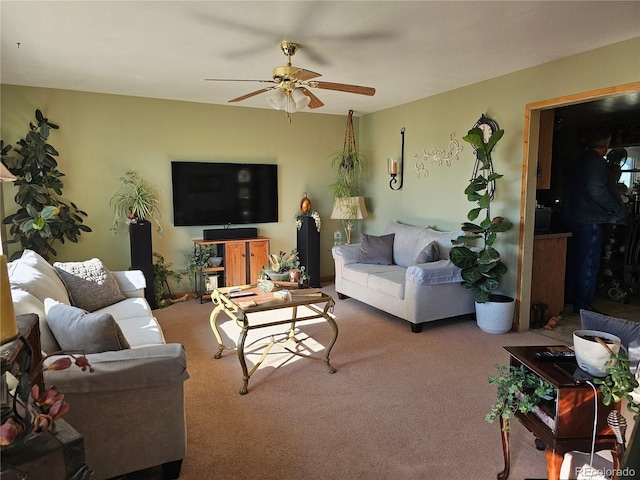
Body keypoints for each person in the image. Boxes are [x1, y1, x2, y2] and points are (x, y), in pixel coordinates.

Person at [562, 128, 627, 314]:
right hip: (589, 220)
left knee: (574, 262)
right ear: (606, 144)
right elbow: (597, 190)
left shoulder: (580, 161)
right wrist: (616, 209)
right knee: (588, 265)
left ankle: (571, 300)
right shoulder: (596, 163)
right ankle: (583, 306)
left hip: (571, 217)